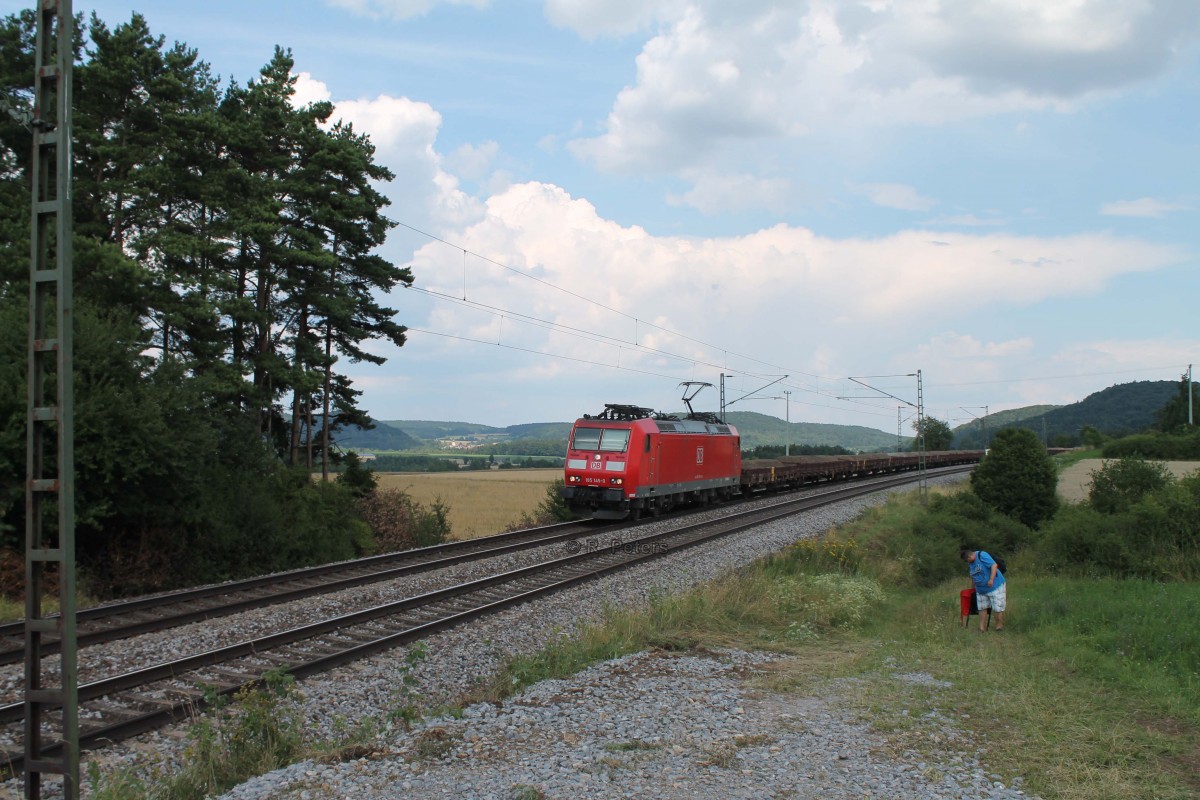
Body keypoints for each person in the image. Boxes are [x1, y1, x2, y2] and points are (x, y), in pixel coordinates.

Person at [960, 548, 1005, 632]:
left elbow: (994, 565)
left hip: (995, 586)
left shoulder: (982, 555)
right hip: (980, 589)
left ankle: (999, 627)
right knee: (982, 608)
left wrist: (991, 579)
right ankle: (981, 629)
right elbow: (973, 575)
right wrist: (973, 588)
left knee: (997, 607)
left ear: (969, 557)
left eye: (967, 560)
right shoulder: (971, 563)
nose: (967, 562)